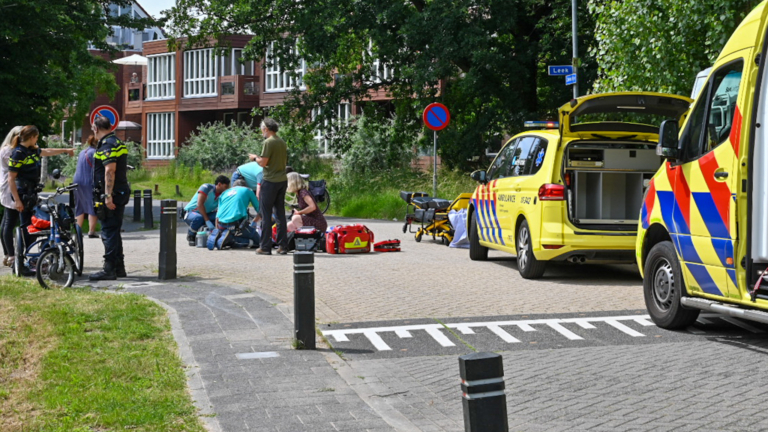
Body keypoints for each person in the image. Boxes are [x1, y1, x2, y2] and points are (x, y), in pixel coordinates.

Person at [7, 126, 74, 275]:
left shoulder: (32, 150)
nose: (37, 140)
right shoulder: (18, 153)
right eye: (36, 137)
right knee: (26, 227)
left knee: (34, 224)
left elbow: (47, 152)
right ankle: (25, 262)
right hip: (22, 193)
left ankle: (35, 260)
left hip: (32, 192)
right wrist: (17, 200)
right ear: (31, 137)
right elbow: (11, 179)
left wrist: (65, 150)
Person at [89, 116, 131, 281]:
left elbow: (109, 170)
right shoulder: (118, 142)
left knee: (108, 231)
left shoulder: (107, 144)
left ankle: (109, 269)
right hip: (120, 191)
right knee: (113, 230)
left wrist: (107, 195)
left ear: (96, 128)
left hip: (111, 194)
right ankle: (119, 268)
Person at [251, 118, 288, 256]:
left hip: (270, 181)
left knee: (265, 214)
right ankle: (283, 246)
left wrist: (255, 158)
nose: (262, 131)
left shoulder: (268, 142)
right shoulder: (282, 142)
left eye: (262, 129)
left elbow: (263, 162)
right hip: (282, 180)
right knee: (280, 214)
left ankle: (265, 247)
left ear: (266, 129)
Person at [184, 175, 230, 246]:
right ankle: (191, 235)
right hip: (192, 212)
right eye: (226, 187)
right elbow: (200, 204)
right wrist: (207, 220)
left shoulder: (222, 195)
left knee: (220, 216)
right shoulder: (206, 188)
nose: (227, 189)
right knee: (199, 218)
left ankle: (216, 236)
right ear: (219, 184)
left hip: (205, 213)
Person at [0, 126, 23, 267]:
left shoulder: (6, 148)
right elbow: (16, 169)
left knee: (6, 222)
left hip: (6, 187)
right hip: (10, 188)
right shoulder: (9, 151)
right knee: (10, 222)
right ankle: (11, 255)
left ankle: (7, 254)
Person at [216, 179, 260, 248]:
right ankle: (231, 240)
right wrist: (254, 221)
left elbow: (217, 216)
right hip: (237, 224)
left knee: (232, 233)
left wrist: (218, 229)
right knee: (259, 242)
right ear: (244, 186)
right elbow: (259, 209)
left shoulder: (224, 193)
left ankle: (223, 237)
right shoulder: (248, 190)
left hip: (222, 225)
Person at [73, 136, 99, 238]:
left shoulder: (82, 152)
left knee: (79, 205)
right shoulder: (95, 153)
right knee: (93, 204)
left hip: (77, 180)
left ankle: (78, 230)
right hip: (88, 180)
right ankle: (91, 231)